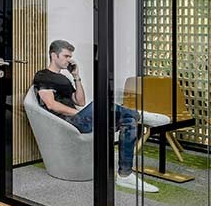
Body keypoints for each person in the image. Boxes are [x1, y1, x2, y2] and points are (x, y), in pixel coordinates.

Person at [33, 39, 165, 193]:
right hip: (67, 124)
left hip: (77, 120)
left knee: (128, 122)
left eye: (70, 57)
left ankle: (125, 175)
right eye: (66, 56)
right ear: (54, 55)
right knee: (99, 104)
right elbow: (51, 104)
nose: (69, 60)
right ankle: (141, 115)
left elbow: (80, 101)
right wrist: (79, 113)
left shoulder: (64, 78)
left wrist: (76, 76)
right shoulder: (43, 75)